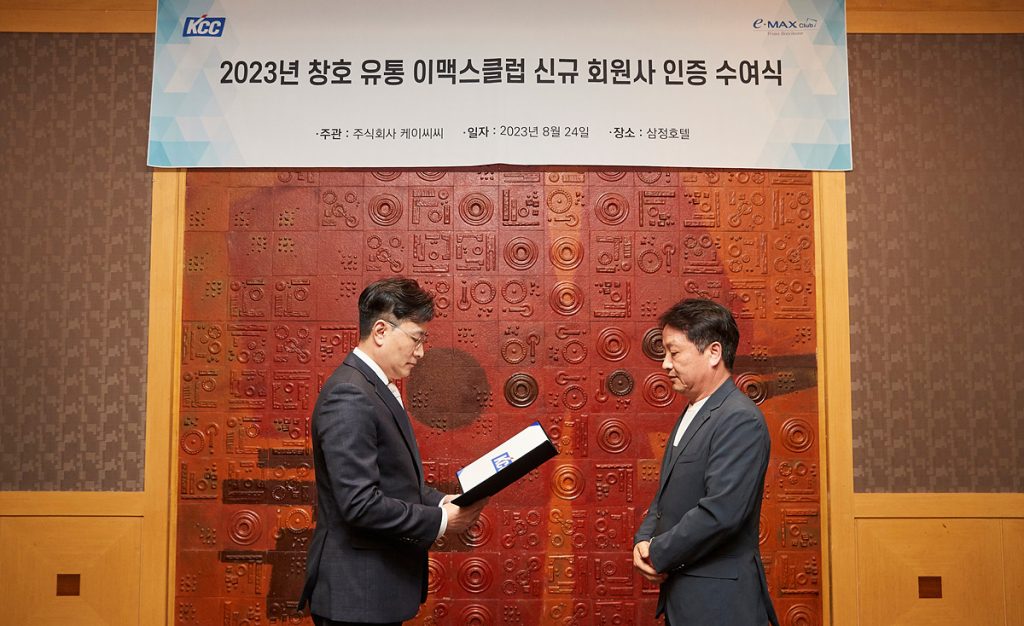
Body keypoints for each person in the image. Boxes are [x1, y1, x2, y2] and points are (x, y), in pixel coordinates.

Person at [298, 277, 487, 626]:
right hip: (356, 597)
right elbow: (359, 504)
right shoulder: (349, 395)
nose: (421, 352)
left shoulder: (372, 387)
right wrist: (442, 521)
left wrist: (440, 502)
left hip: (371, 595)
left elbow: (391, 481)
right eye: (416, 338)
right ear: (381, 331)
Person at [632, 298, 779, 626]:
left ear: (713, 353)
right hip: (686, 598)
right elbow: (665, 496)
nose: (665, 364)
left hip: (720, 604)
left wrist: (657, 552)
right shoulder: (693, 411)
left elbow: (721, 513)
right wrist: (642, 540)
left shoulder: (740, 418)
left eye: (674, 352)